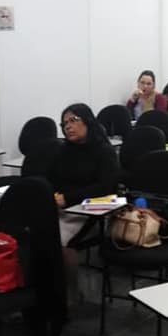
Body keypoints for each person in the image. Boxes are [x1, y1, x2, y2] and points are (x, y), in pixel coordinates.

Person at [42, 104, 118, 301]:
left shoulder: (103, 151)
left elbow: (105, 187)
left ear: (88, 122)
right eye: (64, 123)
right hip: (61, 207)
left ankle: (70, 293)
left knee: (59, 241)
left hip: (90, 210)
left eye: (73, 120)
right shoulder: (64, 150)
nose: (68, 126)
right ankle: (44, 290)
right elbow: (50, 177)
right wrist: (51, 194)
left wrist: (68, 198)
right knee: (33, 233)